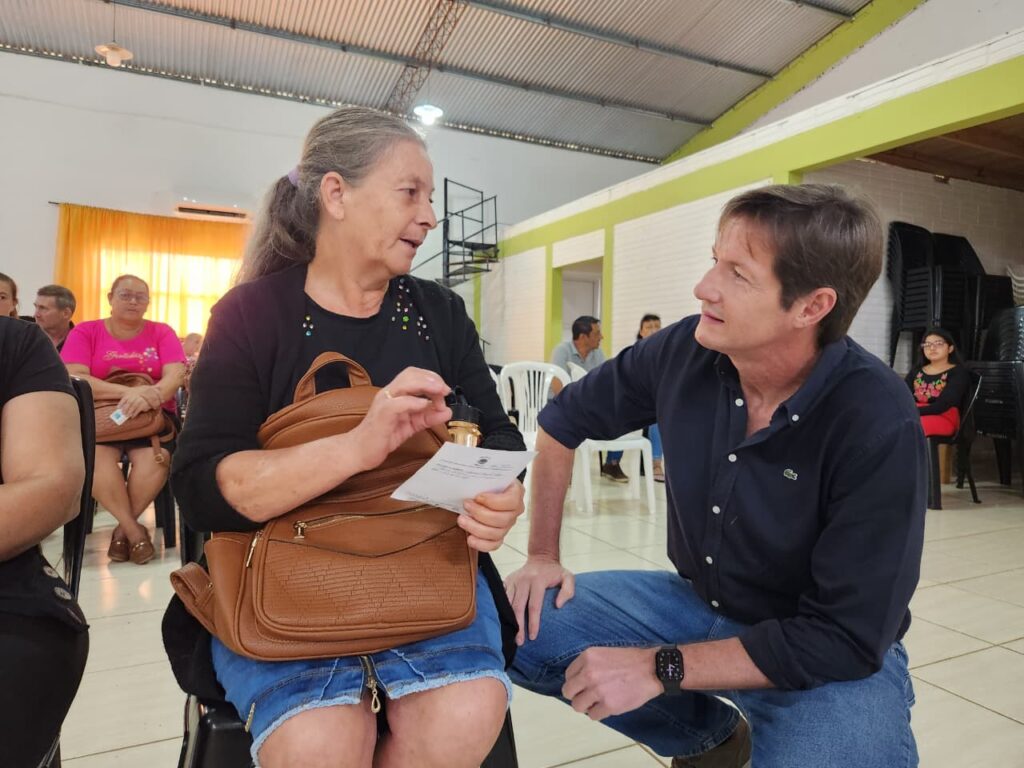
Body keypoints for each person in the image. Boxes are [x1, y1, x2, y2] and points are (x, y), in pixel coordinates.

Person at [505, 184, 926, 767]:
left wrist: (660, 667)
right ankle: (710, 742)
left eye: (738, 274)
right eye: (713, 261)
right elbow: (559, 422)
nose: (704, 287)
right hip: (700, 606)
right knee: (515, 624)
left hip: (820, 649)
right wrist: (542, 556)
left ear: (811, 307)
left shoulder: (876, 419)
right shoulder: (685, 350)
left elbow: (844, 637)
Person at [163, 106, 526, 768]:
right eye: (410, 192)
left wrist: (500, 492)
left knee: (468, 708)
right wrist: (358, 446)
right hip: (283, 571)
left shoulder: (439, 312)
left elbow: (497, 437)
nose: (430, 216)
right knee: (318, 740)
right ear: (336, 194)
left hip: (424, 561)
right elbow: (201, 486)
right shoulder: (250, 314)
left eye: (430, 197)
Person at [0, 316, 89, 766]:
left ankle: (131, 531)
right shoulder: (90, 335)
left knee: (149, 457)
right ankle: (132, 532)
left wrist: (142, 394)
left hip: (11, 593)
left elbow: (53, 488)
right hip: (114, 424)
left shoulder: (13, 343)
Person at [61, 275, 186, 565]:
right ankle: (133, 531)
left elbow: (177, 373)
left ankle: (122, 532)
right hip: (103, 419)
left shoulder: (161, 332)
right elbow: (76, 377)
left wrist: (152, 395)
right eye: (125, 295)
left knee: (156, 460)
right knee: (96, 461)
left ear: (148, 303)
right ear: (110, 298)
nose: (133, 301)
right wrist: (129, 393)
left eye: (140, 297)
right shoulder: (87, 331)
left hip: (152, 418)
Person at [551, 316, 627, 483]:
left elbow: (606, 382)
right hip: (561, 404)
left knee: (620, 412)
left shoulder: (598, 353)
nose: (602, 337)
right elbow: (557, 387)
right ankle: (564, 467)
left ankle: (612, 463)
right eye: (597, 333)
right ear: (583, 337)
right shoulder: (562, 351)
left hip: (588, 405)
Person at [905, 327, 969, 437]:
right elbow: (903, 395)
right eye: (927, 344)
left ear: (950, 348)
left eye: (938, 344)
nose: (932, 348)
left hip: (944, 416)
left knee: (908, 425)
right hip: (915, 412)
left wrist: (910, 411)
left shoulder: (958, 372)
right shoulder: (916, 371)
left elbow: (942, 406)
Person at [636, 314, 665, 482]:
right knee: (656, 416)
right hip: (637, 402)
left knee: (660, 415)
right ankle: (655, 464)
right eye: (649, 327)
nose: (654, 330)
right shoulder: (635, 353)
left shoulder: (666, 352)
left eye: (657, 326)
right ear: (641, 332)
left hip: (657, 401)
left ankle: (657, 463)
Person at [34, 284, 77, 352]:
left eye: (43, 308)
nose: (36, 315)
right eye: (36, 307)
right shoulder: (28, 339)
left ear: (66, 313)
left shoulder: (81, 342)